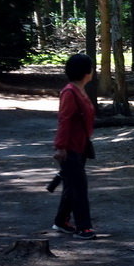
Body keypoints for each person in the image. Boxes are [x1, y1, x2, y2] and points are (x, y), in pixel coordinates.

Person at [52, 53, 98, 240]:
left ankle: (61, 221)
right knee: (79, 188)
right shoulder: (70, 92)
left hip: (81, 147)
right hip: (70, 148)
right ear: (86, 71)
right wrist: (60, 147)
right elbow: (64, 120)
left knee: (71, 187)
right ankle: (83, 228)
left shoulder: (80, 90)